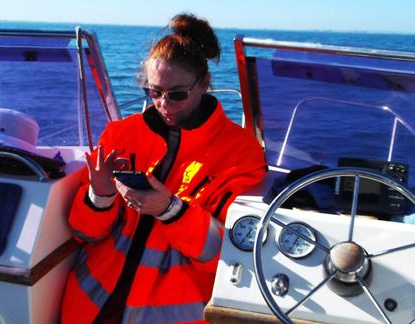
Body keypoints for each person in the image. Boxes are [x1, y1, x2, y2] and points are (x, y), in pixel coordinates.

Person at [61, 13, 267, 323]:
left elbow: (228, 254)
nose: (164, 105)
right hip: (89, 307)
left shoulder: (241, 153)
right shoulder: (121, 133)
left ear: (204, 84)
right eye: (154, 92)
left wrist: (171, 210)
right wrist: (98, 196)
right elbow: (83, 232)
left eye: (177, 95)